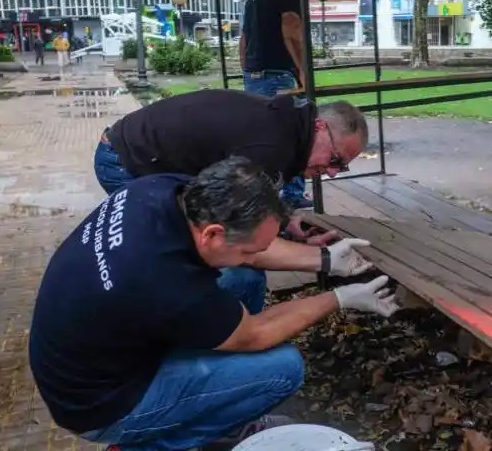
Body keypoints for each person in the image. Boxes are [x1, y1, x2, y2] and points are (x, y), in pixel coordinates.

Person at [29, 156, 399, 451]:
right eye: (249, 249)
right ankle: (151, 444)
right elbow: (256, 334)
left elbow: (249, 248)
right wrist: (340, 297)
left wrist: (325, 260)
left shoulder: (164, 191)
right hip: (101, 406)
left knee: (243, 276)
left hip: (90, 356)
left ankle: (214, 402)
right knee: (283, 369)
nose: (253, 255)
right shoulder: (164, 281)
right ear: (212, 234)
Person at [94, 86, 366, 216]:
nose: (332, 173)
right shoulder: (272, 145)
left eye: (341, 167)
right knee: (189, 248)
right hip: (124, 161)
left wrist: (283, 220)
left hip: (146, 154)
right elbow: (233, 217)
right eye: (335, 160)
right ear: (319, 126)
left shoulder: (291, 127)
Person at [240, 0, 316, 208]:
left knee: (261, 136)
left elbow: (244, 39)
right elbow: (291, 29)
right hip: (279, 73)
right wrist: (303, 71)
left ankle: (262, 197)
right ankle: (291, 196)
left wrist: (248, 70)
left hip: (254, 75)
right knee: (294, 133)